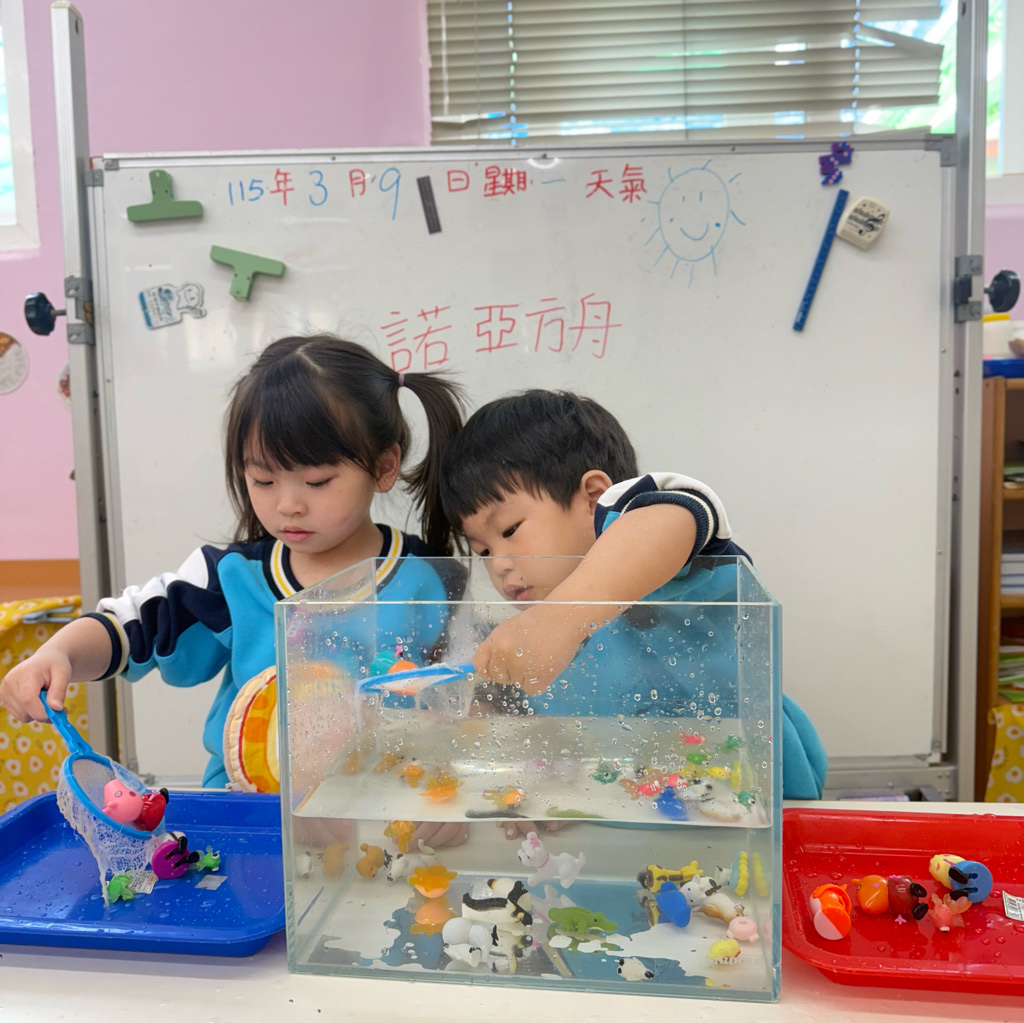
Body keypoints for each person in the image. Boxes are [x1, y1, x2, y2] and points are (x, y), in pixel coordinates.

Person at [0, 335, 466, 791]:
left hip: (386, 804)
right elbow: (130, 627)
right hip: (251, 808)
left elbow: (472, 699)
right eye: (263, 480)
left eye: (317, 482)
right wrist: (58, 653)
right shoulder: (231, 578)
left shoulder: (434, 580)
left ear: (384, 467)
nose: (288, 505)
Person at [440, 389, 828, 806]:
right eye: (482, 550)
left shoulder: (662, 568)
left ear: (594, 499)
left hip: (767, 805)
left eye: (510, 529)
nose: (498, 564)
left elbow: (675, 513)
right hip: (650, 819)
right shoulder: (538, 639)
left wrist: (558, 618)